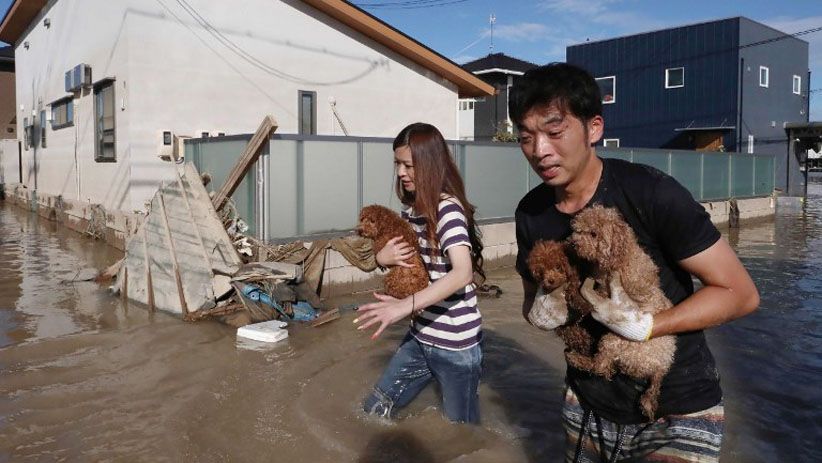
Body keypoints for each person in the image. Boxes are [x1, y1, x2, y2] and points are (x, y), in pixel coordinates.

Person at [509, 63, 759, 462]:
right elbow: (530, 300)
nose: (539, 150)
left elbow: (740, 294)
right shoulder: (531, 214)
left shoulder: (652, 192)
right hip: (586, 402)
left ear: (594, 128)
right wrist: (542, 309)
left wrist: (647, 326)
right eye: (526, 137)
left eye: (554, 133)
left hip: (677, 406)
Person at [354, 122, 485, 424]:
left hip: (457, 346)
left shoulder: (447, 210)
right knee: (374, 409)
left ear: (430, 164)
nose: (400, 172)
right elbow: (410, 263)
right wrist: (380, 258)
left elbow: (463, 272)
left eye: (408, 165)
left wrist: (402, 306)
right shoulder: (410, 211)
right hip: (421, 335)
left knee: (461, 431)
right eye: (397, 164)